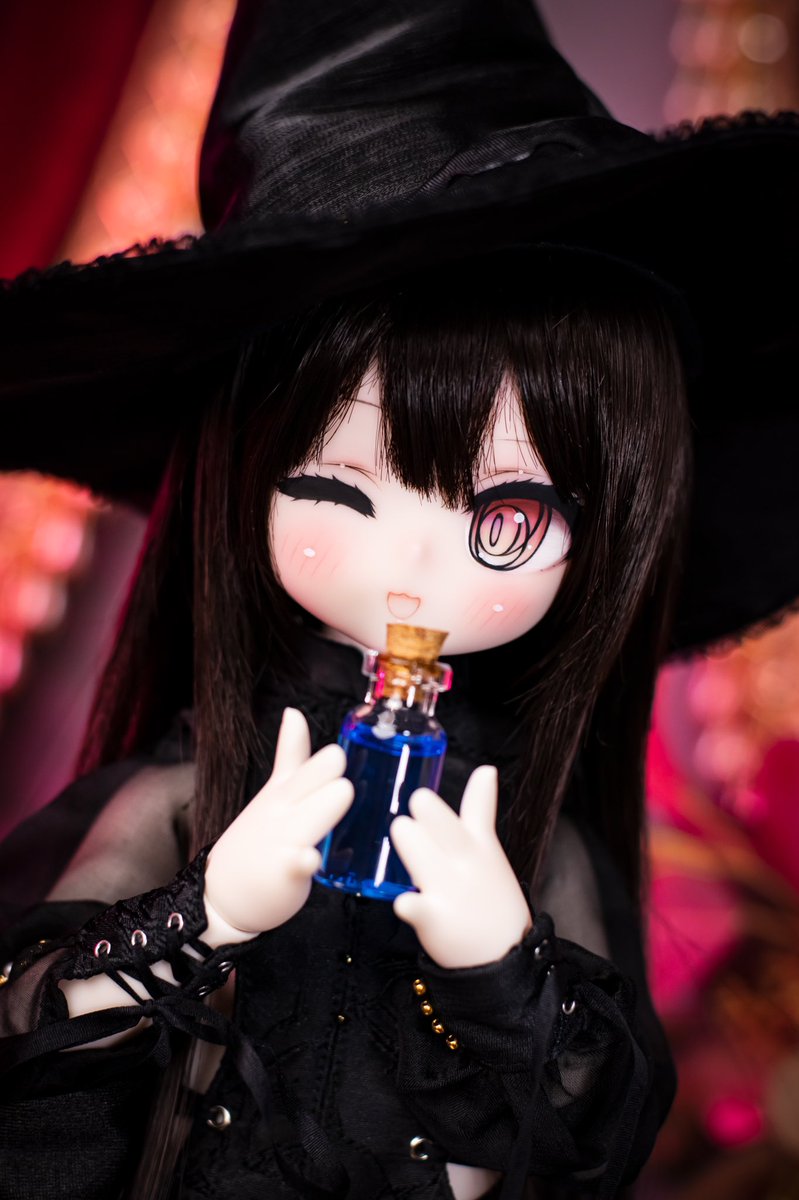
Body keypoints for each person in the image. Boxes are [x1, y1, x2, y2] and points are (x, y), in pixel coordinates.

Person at [0, 3, 798, 1199]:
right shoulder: (187, 788)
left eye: (505, 520)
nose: (418, 567)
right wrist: (204, 912)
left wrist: (501, 971)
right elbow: (30, 1048)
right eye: (343, 492)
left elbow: (588, 1123)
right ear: (241, 481)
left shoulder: (530, 836)